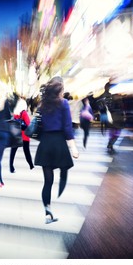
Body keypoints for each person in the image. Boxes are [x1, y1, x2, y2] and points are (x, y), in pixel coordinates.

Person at [35, 77, 79, 224]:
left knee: (47, 182)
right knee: (65, 167)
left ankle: (47, 212)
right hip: (59, 142)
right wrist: (73, 148)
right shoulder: (64, 103)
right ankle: (62, 184)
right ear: (60, 90)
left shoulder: (42, 105)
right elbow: (67, 127)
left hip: (46, 143)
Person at [9, 97, 34, 173]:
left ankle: (11, 167)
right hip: (24, 136)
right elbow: (28, 125)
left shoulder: (15, 114)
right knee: (27, 152)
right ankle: (31, 165)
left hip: (16, 135)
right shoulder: (24, 113)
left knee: (13, 152)